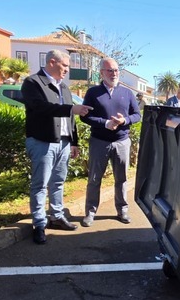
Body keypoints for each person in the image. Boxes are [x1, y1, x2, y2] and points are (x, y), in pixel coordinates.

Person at [22, 50, 93, 245]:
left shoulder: (65, 88)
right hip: (42, 141)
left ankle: (56, 216)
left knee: (58, 182)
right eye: (65, 66)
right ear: (52, 62)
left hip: (63, 142)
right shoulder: (32, 83)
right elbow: (40, 108)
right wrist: (71, 109)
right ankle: (39, 223)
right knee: (40, 184)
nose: (67, 71)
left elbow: (70, 119)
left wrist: (74, 141)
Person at [80, 57, 141, 226]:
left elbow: (137, 115)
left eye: (116, 70)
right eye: (110, 70)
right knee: (94, 179)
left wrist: (124, 121)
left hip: (122, 142)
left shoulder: (127, 93)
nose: (114, 73)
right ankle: (90, 212)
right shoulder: (93, 93)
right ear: (102, 73)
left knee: (121, 178)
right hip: (99, 141)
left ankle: (122, 210)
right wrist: (105, 123)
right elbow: (85, 116)